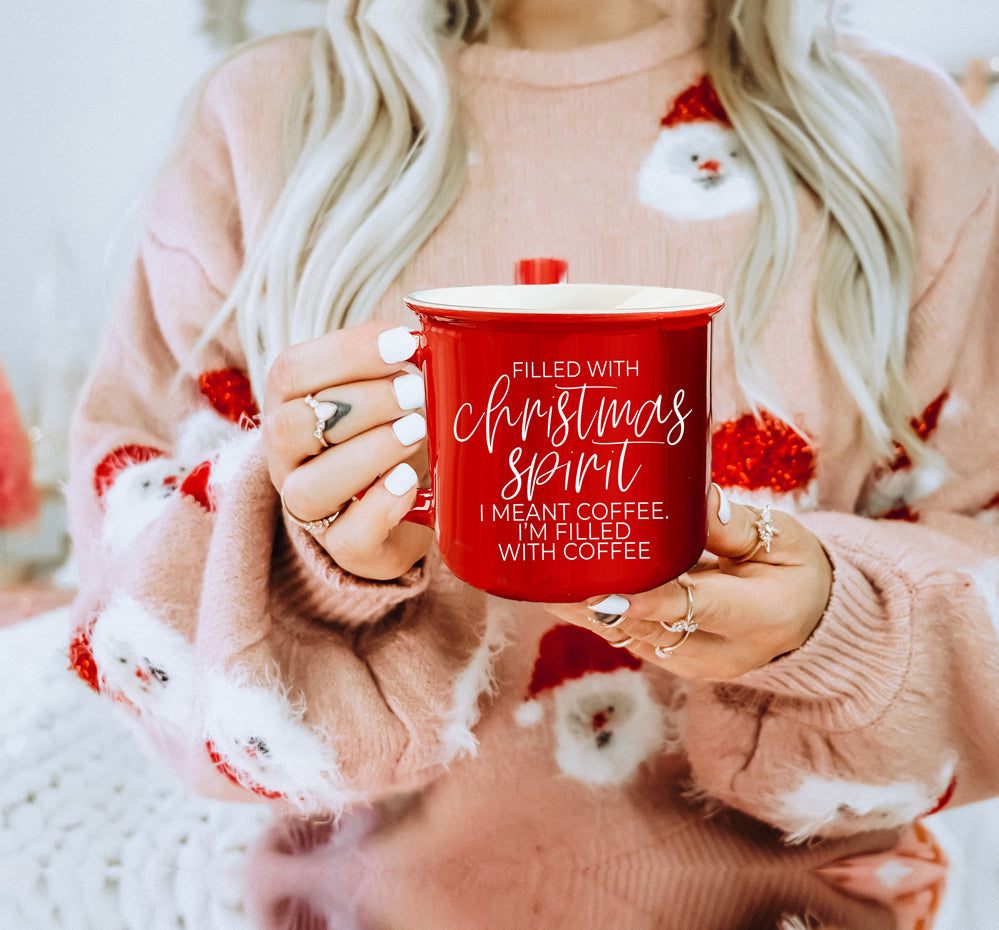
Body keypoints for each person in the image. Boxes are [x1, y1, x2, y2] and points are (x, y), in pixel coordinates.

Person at [68, 0, 999, 858]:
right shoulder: (267, 123)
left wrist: (837, 629)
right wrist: (311, 576)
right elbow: (143, 650)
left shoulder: (895, 132)